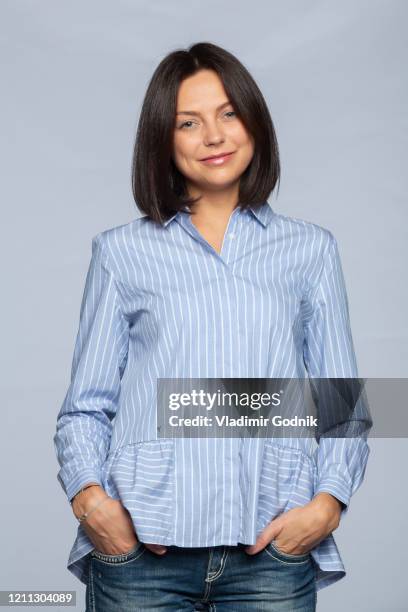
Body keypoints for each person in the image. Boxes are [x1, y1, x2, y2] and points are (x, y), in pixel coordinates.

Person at [53, 42, 370, 611]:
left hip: (271, 554)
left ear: (254, 120)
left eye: (228, 113)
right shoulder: (121, 252)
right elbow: (85, 406)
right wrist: (91, 502)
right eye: (189, 122)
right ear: (163, 140)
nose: (214, 136)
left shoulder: (310, 250)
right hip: (141, 556)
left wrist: (328, 503)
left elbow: (341, 402)